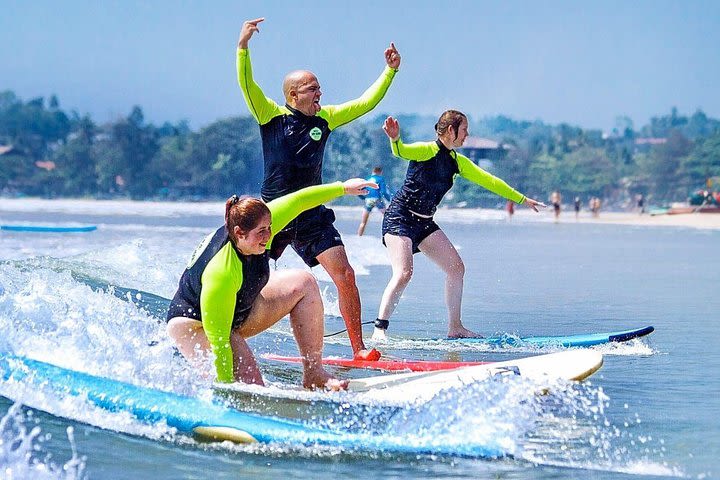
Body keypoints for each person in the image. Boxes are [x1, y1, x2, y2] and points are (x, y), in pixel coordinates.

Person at [237, 18, 401, 361]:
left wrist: (389, 72)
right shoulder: (271, 116)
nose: (319, 93)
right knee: (248, 280)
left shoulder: (325, 119)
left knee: (345, 275)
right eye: (313, 89)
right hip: (275, 214)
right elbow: (248, 85)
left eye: (319, 88)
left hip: (311, 214)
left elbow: (364, 104)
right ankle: (229, 332)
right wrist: (243, 48)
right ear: (293, 94)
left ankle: (358, 349)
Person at [166, 178, 377, 389]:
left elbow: (299, 200)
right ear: (239, 233)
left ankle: (314, 374)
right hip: (196, 325)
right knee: (251, 387)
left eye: (269, 228)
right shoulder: (221, 272)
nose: (268, 236)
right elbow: (220, 342)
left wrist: (343, 188)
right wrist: (226, 392)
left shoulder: (259, 222)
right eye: (261, 232)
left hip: (239, 309)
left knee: (304, 283)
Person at [372, 112, 545, 340]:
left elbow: (489, 181)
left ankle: (455, 327)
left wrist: (522, 199)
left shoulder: (457, 162)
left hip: (424, 222)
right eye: (464, 130)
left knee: (456, 268)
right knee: (404, 273)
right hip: (400, 217)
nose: (467, 135)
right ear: (451, 130)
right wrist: (395, 140)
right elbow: (402, 151)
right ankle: (379, 329)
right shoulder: (427, 150)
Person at [357, 166, 393, 236]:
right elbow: (383, 191)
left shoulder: (368, 179)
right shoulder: (380, 179)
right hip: (377, 199)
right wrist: (389, 200)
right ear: (380, 172)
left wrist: (363, 198)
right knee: (388, 218)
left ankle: (359, 236)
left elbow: (359, 189)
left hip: (368, 200)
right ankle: (390, 234)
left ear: (373, 171)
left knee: (363, 222)